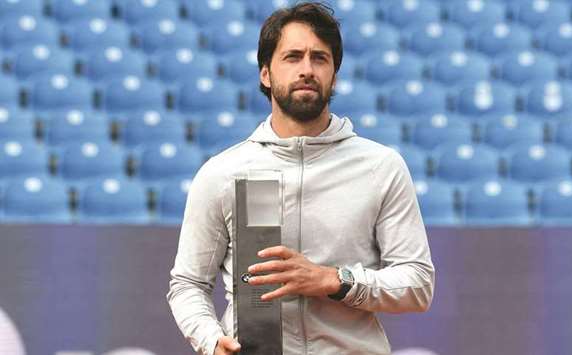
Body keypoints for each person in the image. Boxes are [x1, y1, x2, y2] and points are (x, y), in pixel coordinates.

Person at [167, 2, 435, 355]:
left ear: (334, 76)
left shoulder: (380, 166)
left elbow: (417, 284)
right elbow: (187, 284)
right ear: (266, 73)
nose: (307, 69)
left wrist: (333, 280)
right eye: (293, 57)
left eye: (320, 58)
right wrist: (210, 340)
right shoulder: (223, 173)